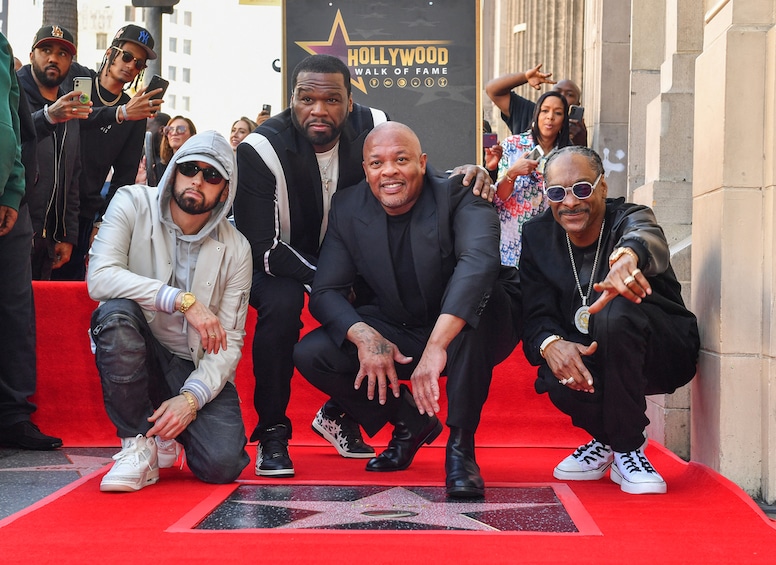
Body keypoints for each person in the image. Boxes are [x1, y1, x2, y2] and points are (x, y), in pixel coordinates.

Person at [234, 54, 494, 478]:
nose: (319, 110)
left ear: (350, 102)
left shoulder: (374, 123)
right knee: (283, 307)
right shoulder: (259, 149)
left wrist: (467, 173)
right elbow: (263, 246)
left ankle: (345, 414)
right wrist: (330, 282)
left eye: (333, 99)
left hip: (351, 258)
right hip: (283, 261)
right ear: (292, 100)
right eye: (307, 98)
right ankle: (273, 432)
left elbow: (403, 169)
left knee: (387, 299)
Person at [293, 122, 521, 498]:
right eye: (377, 163)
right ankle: (410, 420)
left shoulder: (460, 192)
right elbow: (326, 291)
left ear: (422, 162)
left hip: (469, 326)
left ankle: (461, 449)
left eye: (401, 160)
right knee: (313, 353)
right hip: (400, 324)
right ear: (365, 169)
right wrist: (365, 336)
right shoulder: (348, 207)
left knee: (489, 299)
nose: (389, 172)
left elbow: (479, 263)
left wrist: (437, 345)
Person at [519, 145, 699, 495]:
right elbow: (534, 313)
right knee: (554, 372)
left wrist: (627, 258)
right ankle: (609, 440)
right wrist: (551, 344)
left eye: (582, 188)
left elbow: (645, 236)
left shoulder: (628, 217)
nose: (570, 202)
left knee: (617, 310)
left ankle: (628, 446)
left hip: (662, 350)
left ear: (602, 187)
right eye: (557, 192)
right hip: (597, 356)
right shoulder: (538, 236)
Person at [86, 130, 252, 492]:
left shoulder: (236, 247)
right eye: (190, 168)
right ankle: (137, 442)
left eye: (212, 176)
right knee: (114, 315)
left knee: (223, 464)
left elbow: (231, 340)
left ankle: (167, 430)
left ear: (225, 191)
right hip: (139, 341)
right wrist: (181, 300)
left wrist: (191, 399)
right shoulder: (131, 202)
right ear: (174, 169)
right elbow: (99, 278)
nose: (197, 180)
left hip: (190, 363)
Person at [55, 24, 162, 280]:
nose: (130, 66)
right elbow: (74, 117)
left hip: (83, 212)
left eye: (139, 64)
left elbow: (124, 177)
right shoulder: (78, 78)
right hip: (48, 200)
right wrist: (119, 114)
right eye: (127, 56)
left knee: (68, 292)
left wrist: (103, 223)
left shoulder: (134, 111)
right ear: (110, 52)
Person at [0, 31, 62, 450]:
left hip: (9, 206)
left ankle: (13, 417)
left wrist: (12, 191)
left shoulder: (2, 48)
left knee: (15, 312)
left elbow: (16, 128)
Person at [17, 25, 87, 280]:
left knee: (39, 314)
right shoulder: (12, 95)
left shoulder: (71, 105)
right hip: (13, 230)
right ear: (31, 55)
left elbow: (72, 176)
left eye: (63, 54)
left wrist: (67, 234)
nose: (53, 58)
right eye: (46, 50)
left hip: (48, 241)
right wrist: (47, 117)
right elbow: (12, 136)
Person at [486, 91, 571, 267]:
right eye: (545, 111)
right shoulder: (513, 145)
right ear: (536, 114)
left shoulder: (569, 155)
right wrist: (513, 173)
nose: (550, 117)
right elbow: (498, 199)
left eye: (557, 113)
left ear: (564, 120)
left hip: (550, 242)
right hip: (510, 242)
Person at [485, 63, 587, 146]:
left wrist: (580, 143)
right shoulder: (529, 112)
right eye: (545, 111)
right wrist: (525, 77)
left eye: (569, 94)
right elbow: (493, 90)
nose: (550, 117)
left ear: (577, 104)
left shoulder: (577, 132)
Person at [135, 111, 170, 186]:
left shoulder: (170, 160)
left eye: (147, 128)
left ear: (162, 130)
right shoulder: (140, 156)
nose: (143, 132)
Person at [158, 115, 196, 179]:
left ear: (192, 136)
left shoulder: (197, 166)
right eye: (170, 129)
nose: (174, 133)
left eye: (181, 129)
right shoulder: (158, 168)